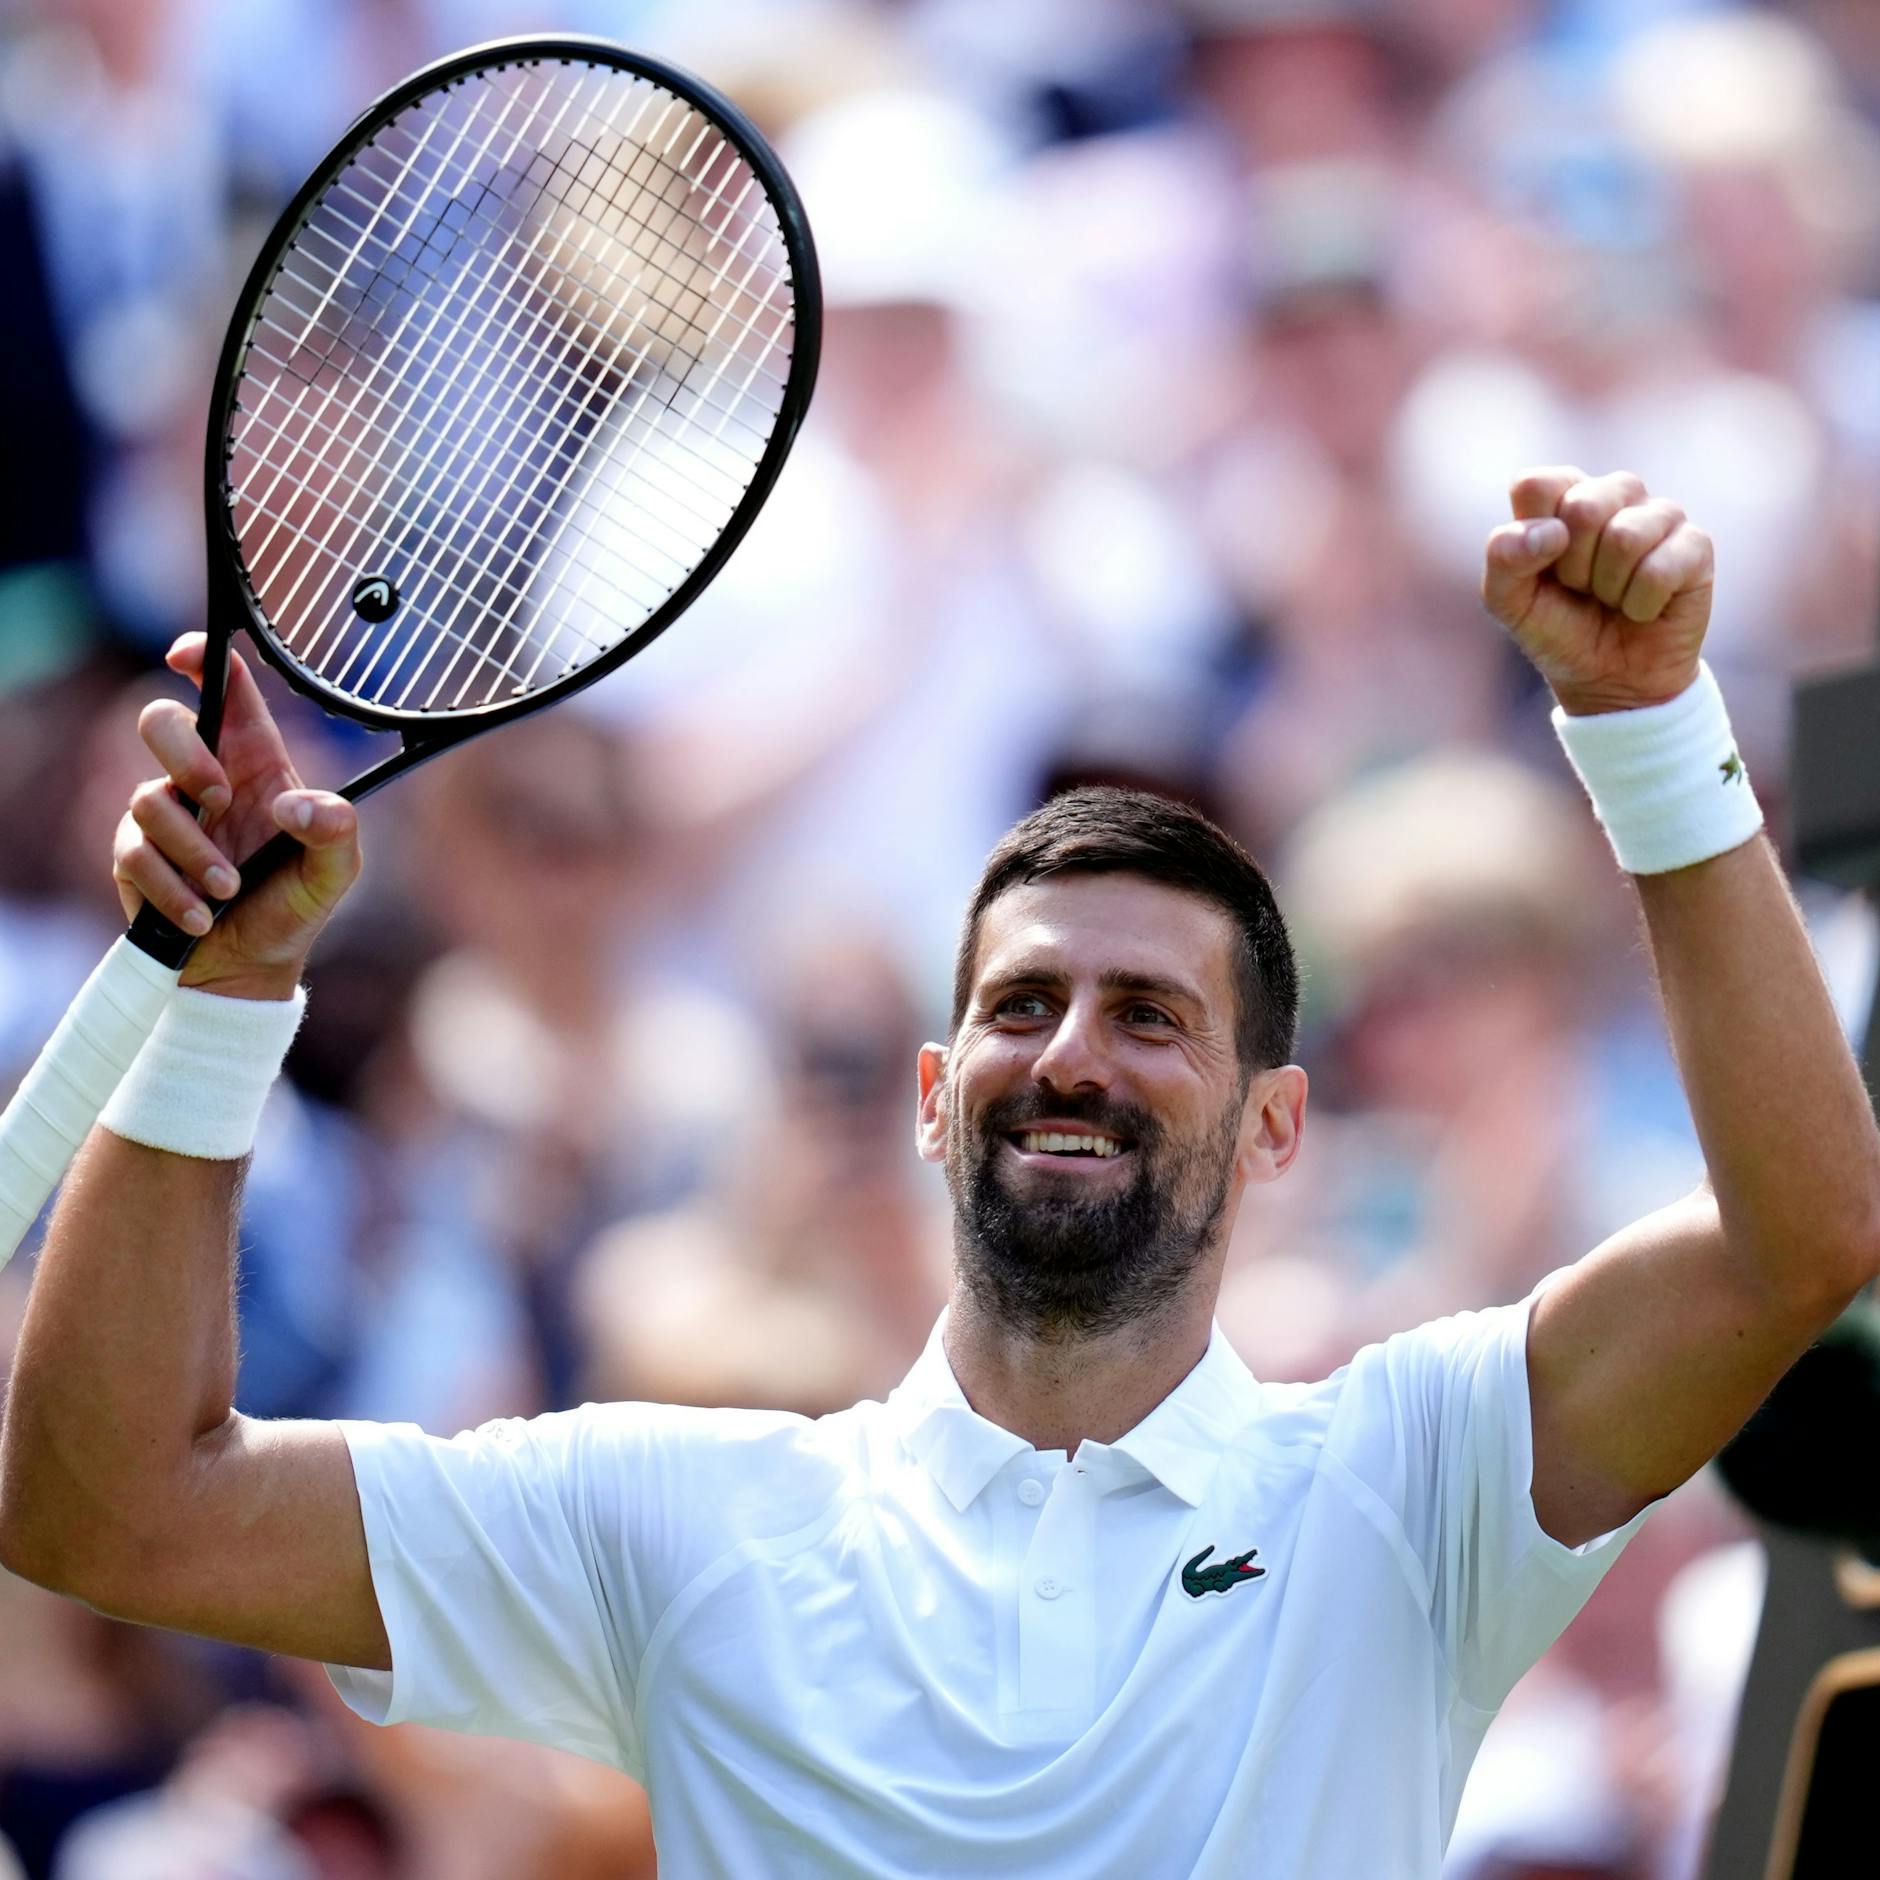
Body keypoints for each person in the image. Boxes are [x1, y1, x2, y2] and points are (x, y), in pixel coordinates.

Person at [3, 468, 1878, 1876]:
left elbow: (1806, 1238)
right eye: (1025, 1004)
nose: (1072, 1051)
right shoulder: (681, 1513)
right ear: (930, 1091)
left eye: (1152, 1014)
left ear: (1278, 1127)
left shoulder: (1413, 1473)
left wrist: (1647, 729)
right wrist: (229, 999)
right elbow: (111, 1512)